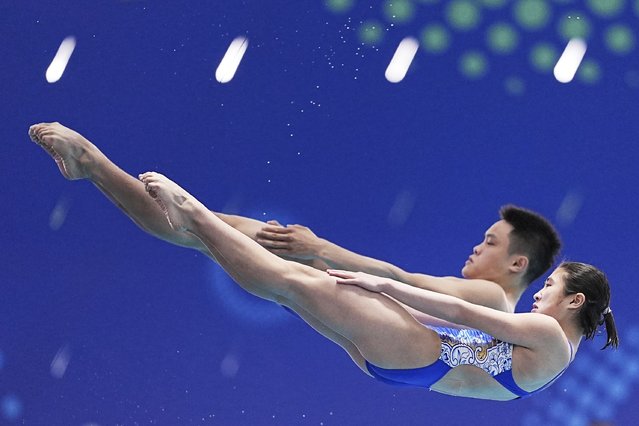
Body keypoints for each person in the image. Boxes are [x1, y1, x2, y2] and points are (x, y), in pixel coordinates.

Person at [131, 170, 616, 400]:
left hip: (423, 353)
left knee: (287, 280)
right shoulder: (549, 354)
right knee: (286, 286)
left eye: (549, 286)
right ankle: (197, 226)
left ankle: (192, 213)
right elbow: (460, 329)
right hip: (407, 366)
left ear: (575, 300)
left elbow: (460, 314)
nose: (538, 294)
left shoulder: (548, 334)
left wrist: (378, 285)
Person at [27, 123, 561, 321]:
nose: (475, 248)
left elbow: (399, 278)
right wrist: (318, 250)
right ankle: (95, 166)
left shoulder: (495, 301)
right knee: (226, 231)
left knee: (237, 248)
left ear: (518, 263)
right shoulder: (480, 300)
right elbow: (396, 278)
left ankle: (110, 172)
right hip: (382, 333)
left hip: (396, 347)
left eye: (489, 242)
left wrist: (320, 247)